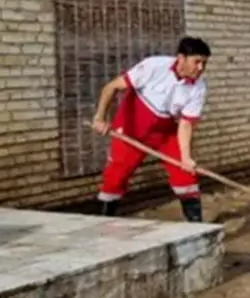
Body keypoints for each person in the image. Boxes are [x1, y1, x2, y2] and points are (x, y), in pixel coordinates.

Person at [91, 37, 212, 222]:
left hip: (165, 133)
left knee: (186, 174)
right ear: (181, 58)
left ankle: (197, 227)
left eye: (204, 63)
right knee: (116, 176)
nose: (201, 68)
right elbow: (111, 87)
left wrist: (186, 158)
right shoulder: (153, 67)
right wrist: (100, 117)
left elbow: (186, 124)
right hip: (132, 131)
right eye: (197, 62)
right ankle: (103, 222)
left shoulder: (198, 87)